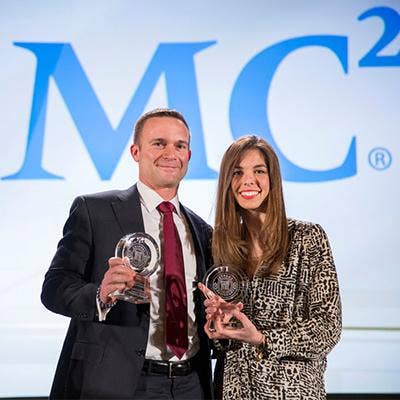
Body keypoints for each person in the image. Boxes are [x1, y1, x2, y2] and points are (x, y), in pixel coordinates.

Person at [41, 108, 213, 399]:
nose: (170, 153)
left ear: (189, 155)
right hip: (118, 381)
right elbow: (55, 288)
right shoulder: (94, 211)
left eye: (180, 145)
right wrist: (100, 294)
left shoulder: (202, 230)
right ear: (136, 152)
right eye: (159, 143)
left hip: (191, 384)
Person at [198, 135, 341, 399]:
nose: (248, 181)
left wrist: (263, 338)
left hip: (294, 393)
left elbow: (327, 329)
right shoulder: (219, 246)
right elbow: (221, 347)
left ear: (273, 179)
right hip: (234, 391)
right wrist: (218, 327)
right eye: (237, 172)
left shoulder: (307, 238)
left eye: (259, 171)